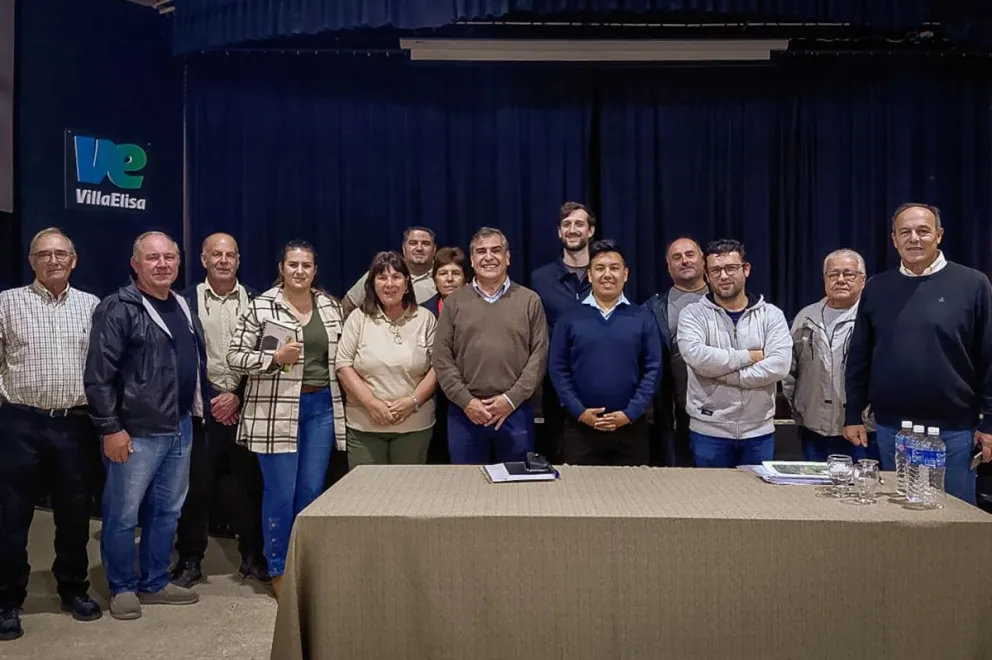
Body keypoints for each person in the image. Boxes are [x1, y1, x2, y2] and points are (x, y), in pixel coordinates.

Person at [85, 231, 207, 620]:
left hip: (180, 426)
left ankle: (154, 581)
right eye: (152, 258)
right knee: (123, 515)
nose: (162, 264)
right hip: (135, 431)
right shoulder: (118, 308)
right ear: (135, 264)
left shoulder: (182, 304)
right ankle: (122, 586)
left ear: (179, 262)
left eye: (169, 257)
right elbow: (99, 376)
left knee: (168, 511)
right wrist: (110, 428)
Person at [844, 203, 992, 504]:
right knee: (899, 516)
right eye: (905, 232)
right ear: (894, 239)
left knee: (956, 518)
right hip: (891, 429)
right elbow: (860, 356)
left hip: (955, 431)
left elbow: (989, 357)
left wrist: (989, 423)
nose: (914, 238)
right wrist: (852, 413)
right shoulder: (876, 288)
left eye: (923, 231)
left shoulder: (974, 284)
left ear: (939, 235)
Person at [227, 240, 346, 599]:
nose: (299, 271)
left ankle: (304, 565)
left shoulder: (329, 306)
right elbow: (235, 356)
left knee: (310, 492)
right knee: (281, 494)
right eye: (293, 264)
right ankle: (278, 568)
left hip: (320, 408)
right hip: (275, 410)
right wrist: (274, 358)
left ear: (315, 270)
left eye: (306, 265)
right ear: (281, 268)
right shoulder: (261, 305)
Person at [0, 229, 101, 641]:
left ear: (73, 260)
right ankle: (7, 600)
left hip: (74, 425)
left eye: (61, 254)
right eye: (44, 254)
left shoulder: (91, 306)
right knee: (11, 517)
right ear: (32, 261)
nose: (53, 260)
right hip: (20, 424)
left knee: (74, 514)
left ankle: (73, 589)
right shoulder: (6, 303)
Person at [171, 233, 267, 589]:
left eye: (230, 255)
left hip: (247, 408)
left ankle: (253, 557)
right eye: (216, 254)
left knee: (249, 487)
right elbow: (182, 357)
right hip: (203, 410)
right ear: (203, 260)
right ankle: (190, 560)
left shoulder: (259, 301)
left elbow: (268, 354)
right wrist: (214, 396)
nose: (224, 260)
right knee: (195, 488)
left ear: (239, 260)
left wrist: (237, 395)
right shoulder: (184, 301)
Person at [433, 227, 548, 463]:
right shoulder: (454, 302)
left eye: (495, 250)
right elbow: (441, 357)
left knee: (517, 483)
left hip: (515, 412)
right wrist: (467, 402)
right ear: (472, 260)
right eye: (481, 251)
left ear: (507, 257)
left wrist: (510, 400)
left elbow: (539, 356)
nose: (488, 257)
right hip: (464, 413)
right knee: (466, 483)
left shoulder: (529, 301)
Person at [678, 239, 792, 468]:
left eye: (731, 268)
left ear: (745, 269)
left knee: (757, 493)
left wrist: (728, 375)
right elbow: (697, 357)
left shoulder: (771, 315)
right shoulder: (692, 314)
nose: (723, 276)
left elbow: (779, 366)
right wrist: (749, 357)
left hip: (758, 432)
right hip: (708, 432)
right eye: (715, 270)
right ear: (707, 275)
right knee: (708, 491)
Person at [548, 240, 661, 465]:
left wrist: (630, 413)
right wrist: (580, 412)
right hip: (580, 430)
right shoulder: (569, 318)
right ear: (590, 275)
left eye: (614, 268)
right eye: (600, 268)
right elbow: (557, 369)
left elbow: (653, 369)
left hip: (631, 429)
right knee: (579, 488)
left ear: (625, 274)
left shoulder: (643, 318)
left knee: (633, 488)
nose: (607, 274)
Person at [336, 251, 438, 466]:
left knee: (408, 486)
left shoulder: (425, 319)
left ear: (407, 283)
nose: (389, 284)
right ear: (372, 284)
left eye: (396, 277)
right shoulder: (358, 318)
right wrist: (371, 403)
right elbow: (343, 364)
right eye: (382, 277)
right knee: (367, 487)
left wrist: (413, 402)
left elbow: (438, 367)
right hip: (364, 425)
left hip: (414, 425)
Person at [784, 249, 876, 462]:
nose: (840, 280)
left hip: (862, 429)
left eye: (849, 274)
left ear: (863, 280)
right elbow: (789, 371)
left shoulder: (874, 317)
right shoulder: (806, 317)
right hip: (813, 428)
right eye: (833, 274)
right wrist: (798, 408)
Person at [530, 202, 596, 463]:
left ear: (590, 230)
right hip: (556, 384)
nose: (573, 229)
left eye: (579, 224)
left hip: (599, 378)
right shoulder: (540, 279)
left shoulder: (606, 274)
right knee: (558, 453)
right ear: (559, 232)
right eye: (566, 224)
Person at [644, 237, 708, 467]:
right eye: (677, 257)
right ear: (668, 266)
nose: (684, 261)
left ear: (703, 260)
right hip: (672, 411)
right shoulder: (653, 308)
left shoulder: (725, 300)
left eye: (690, 255)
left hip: (717, 411)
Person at [420, 247, 468, 463]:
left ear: (466, 278)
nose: (449, 279)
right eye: (443, 273)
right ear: (434, 279)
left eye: (456, 273)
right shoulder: (422, 312)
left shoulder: (480, 308)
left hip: (468, 394)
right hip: (432, 398)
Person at [341, 226, 437, 316]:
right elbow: (346, 307)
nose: (419, 248)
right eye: (413, 243)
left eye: (426, 244)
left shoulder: (442, 276)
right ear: (404, 248)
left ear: (434, 249)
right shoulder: (379, 273)